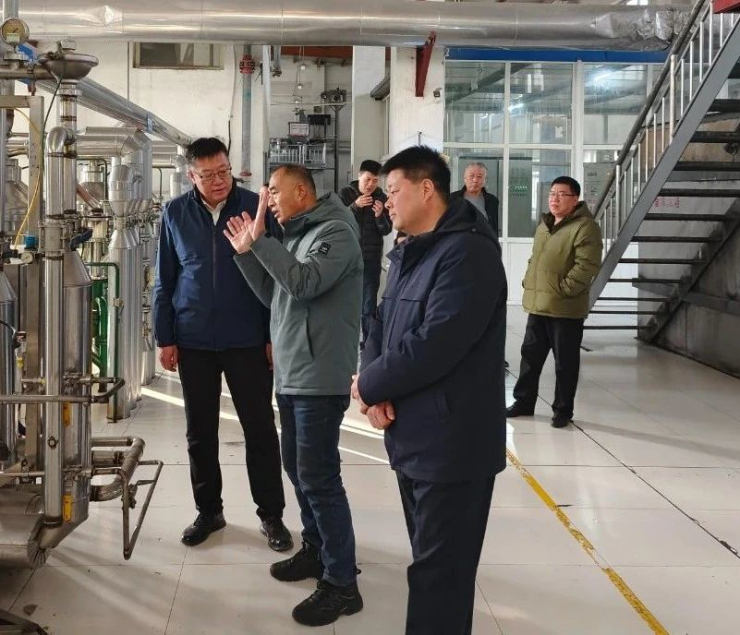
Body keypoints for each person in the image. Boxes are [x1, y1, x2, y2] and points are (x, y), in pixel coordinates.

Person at [351, 146, 507, 635]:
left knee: (440, 576)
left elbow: (437, 343)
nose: (386, 201)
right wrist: (373, 387)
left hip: (453, 444)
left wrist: (369, 384)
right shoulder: (411, 249)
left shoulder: (469, 253)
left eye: (393, 190)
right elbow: (380, 322)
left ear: (425, 189)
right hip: (415, 436)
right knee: (428, 561)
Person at [224, 164, 364, 627]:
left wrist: (261, 241)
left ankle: (342, 584)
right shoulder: (299, 234)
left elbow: (305, 283)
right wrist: (248, 253)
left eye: (274, 193)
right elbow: (276, 294)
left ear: (302, 192)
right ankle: (317, 549)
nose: (268, 201)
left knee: (319, 478)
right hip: (292, 372)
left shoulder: (336, 232)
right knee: (299, 470)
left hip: (319, 376)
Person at [152, 138, 291, 551]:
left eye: (224, 171)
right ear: (191, 175)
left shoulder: (254, 207)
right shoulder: (175, 213)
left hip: (247, 338)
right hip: (193, 338)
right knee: (200, 432)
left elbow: (276, 278)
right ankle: (209, 511)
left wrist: (272, 335)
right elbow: (165, 279)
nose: (219, 181)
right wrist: (165, 336)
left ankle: (271, 514)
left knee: (260, 429)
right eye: (209, 175)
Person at [506, 176, 602, 428]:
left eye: (561, 194)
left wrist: (564, 290)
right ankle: (524, 402)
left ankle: (562, 410)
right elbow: (535, 259)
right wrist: (529, 280)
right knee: (530, 358)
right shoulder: (545, 225)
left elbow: (587, 265)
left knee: (565, 363)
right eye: (551, 194)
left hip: (565, 309)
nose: (554, 199)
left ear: (575, 199)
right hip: (538, 305)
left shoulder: (585, 227)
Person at [339, 160, 392, 349]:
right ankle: (345, 342)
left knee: (368, 305)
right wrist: (354, 206)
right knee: (346, 302)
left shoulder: (382, 198)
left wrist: (379, 216)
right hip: (347, 260)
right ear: (359, 176)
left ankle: (368, 343)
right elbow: (337, 222)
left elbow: (386, 230)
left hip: (371, 260)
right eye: (367, 179)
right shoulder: (345, 194)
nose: (370, 185)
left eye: (375, 181)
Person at [450, 161, 500, 237]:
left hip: (483, 241)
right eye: (471, 176)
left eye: (479, 176)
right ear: (465, 178)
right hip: (459, 242)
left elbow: (494, 227)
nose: (475, 180)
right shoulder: (452, 199)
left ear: (485, 180)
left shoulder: (492, 201)